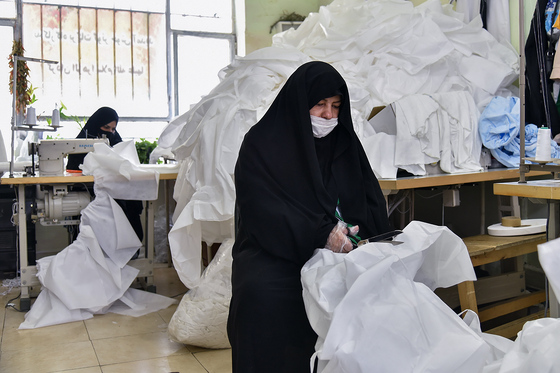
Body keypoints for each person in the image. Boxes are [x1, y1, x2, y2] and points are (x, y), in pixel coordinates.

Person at [227, 61, 392, 372]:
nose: (329, 115)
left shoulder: (344, 143)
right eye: (319, 105)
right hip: (274, 250)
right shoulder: (262, 144)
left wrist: (359, 236)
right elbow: (263, 211)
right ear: (300, 104)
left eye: (336, 106)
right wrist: (320, 234)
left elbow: (367, 200)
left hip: (340, 251)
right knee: (259, 296)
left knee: (380, 288)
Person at [66, 107, 144, 243]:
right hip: (90, 190)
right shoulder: (81, 141)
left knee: (129, 203)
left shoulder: (116, 140)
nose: (110, 132)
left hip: (114, 189)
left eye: (113, 129)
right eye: (106, 127)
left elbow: (126, 161)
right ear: (97, 124)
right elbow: (73, 167)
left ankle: (125, 245)